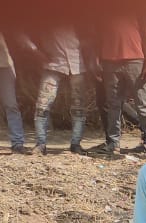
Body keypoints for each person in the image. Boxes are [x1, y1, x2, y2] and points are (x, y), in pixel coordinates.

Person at [94, 13, 146, 156]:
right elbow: (98, 37)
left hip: (135, 60)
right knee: (113, 105)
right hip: (109, 61)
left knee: (142, 103)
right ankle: (113, 143)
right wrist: (97, 60)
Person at [21, 26, 89, 155]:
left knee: (78, 108)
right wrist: (34, 50)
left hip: (76, 65)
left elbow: (91, 36)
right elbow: (21, 32)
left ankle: (75, 144)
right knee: (42, 106)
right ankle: (41, 144)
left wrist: (81, 45)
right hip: (53, 64)